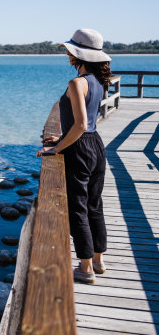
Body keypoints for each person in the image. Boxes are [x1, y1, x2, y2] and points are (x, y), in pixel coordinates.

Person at [37, 28, 112, 284]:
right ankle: (99, 260)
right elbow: (88, 122)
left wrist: (57, 149)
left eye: (70, 50)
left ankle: (85, 267)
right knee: (94, 204)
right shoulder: (99, 81)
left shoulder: (76, 83)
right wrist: (60, 137)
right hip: (96, 146)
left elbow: (79, 124)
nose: (67, 54)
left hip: (80, 149)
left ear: (76, 55)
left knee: (78, 208)